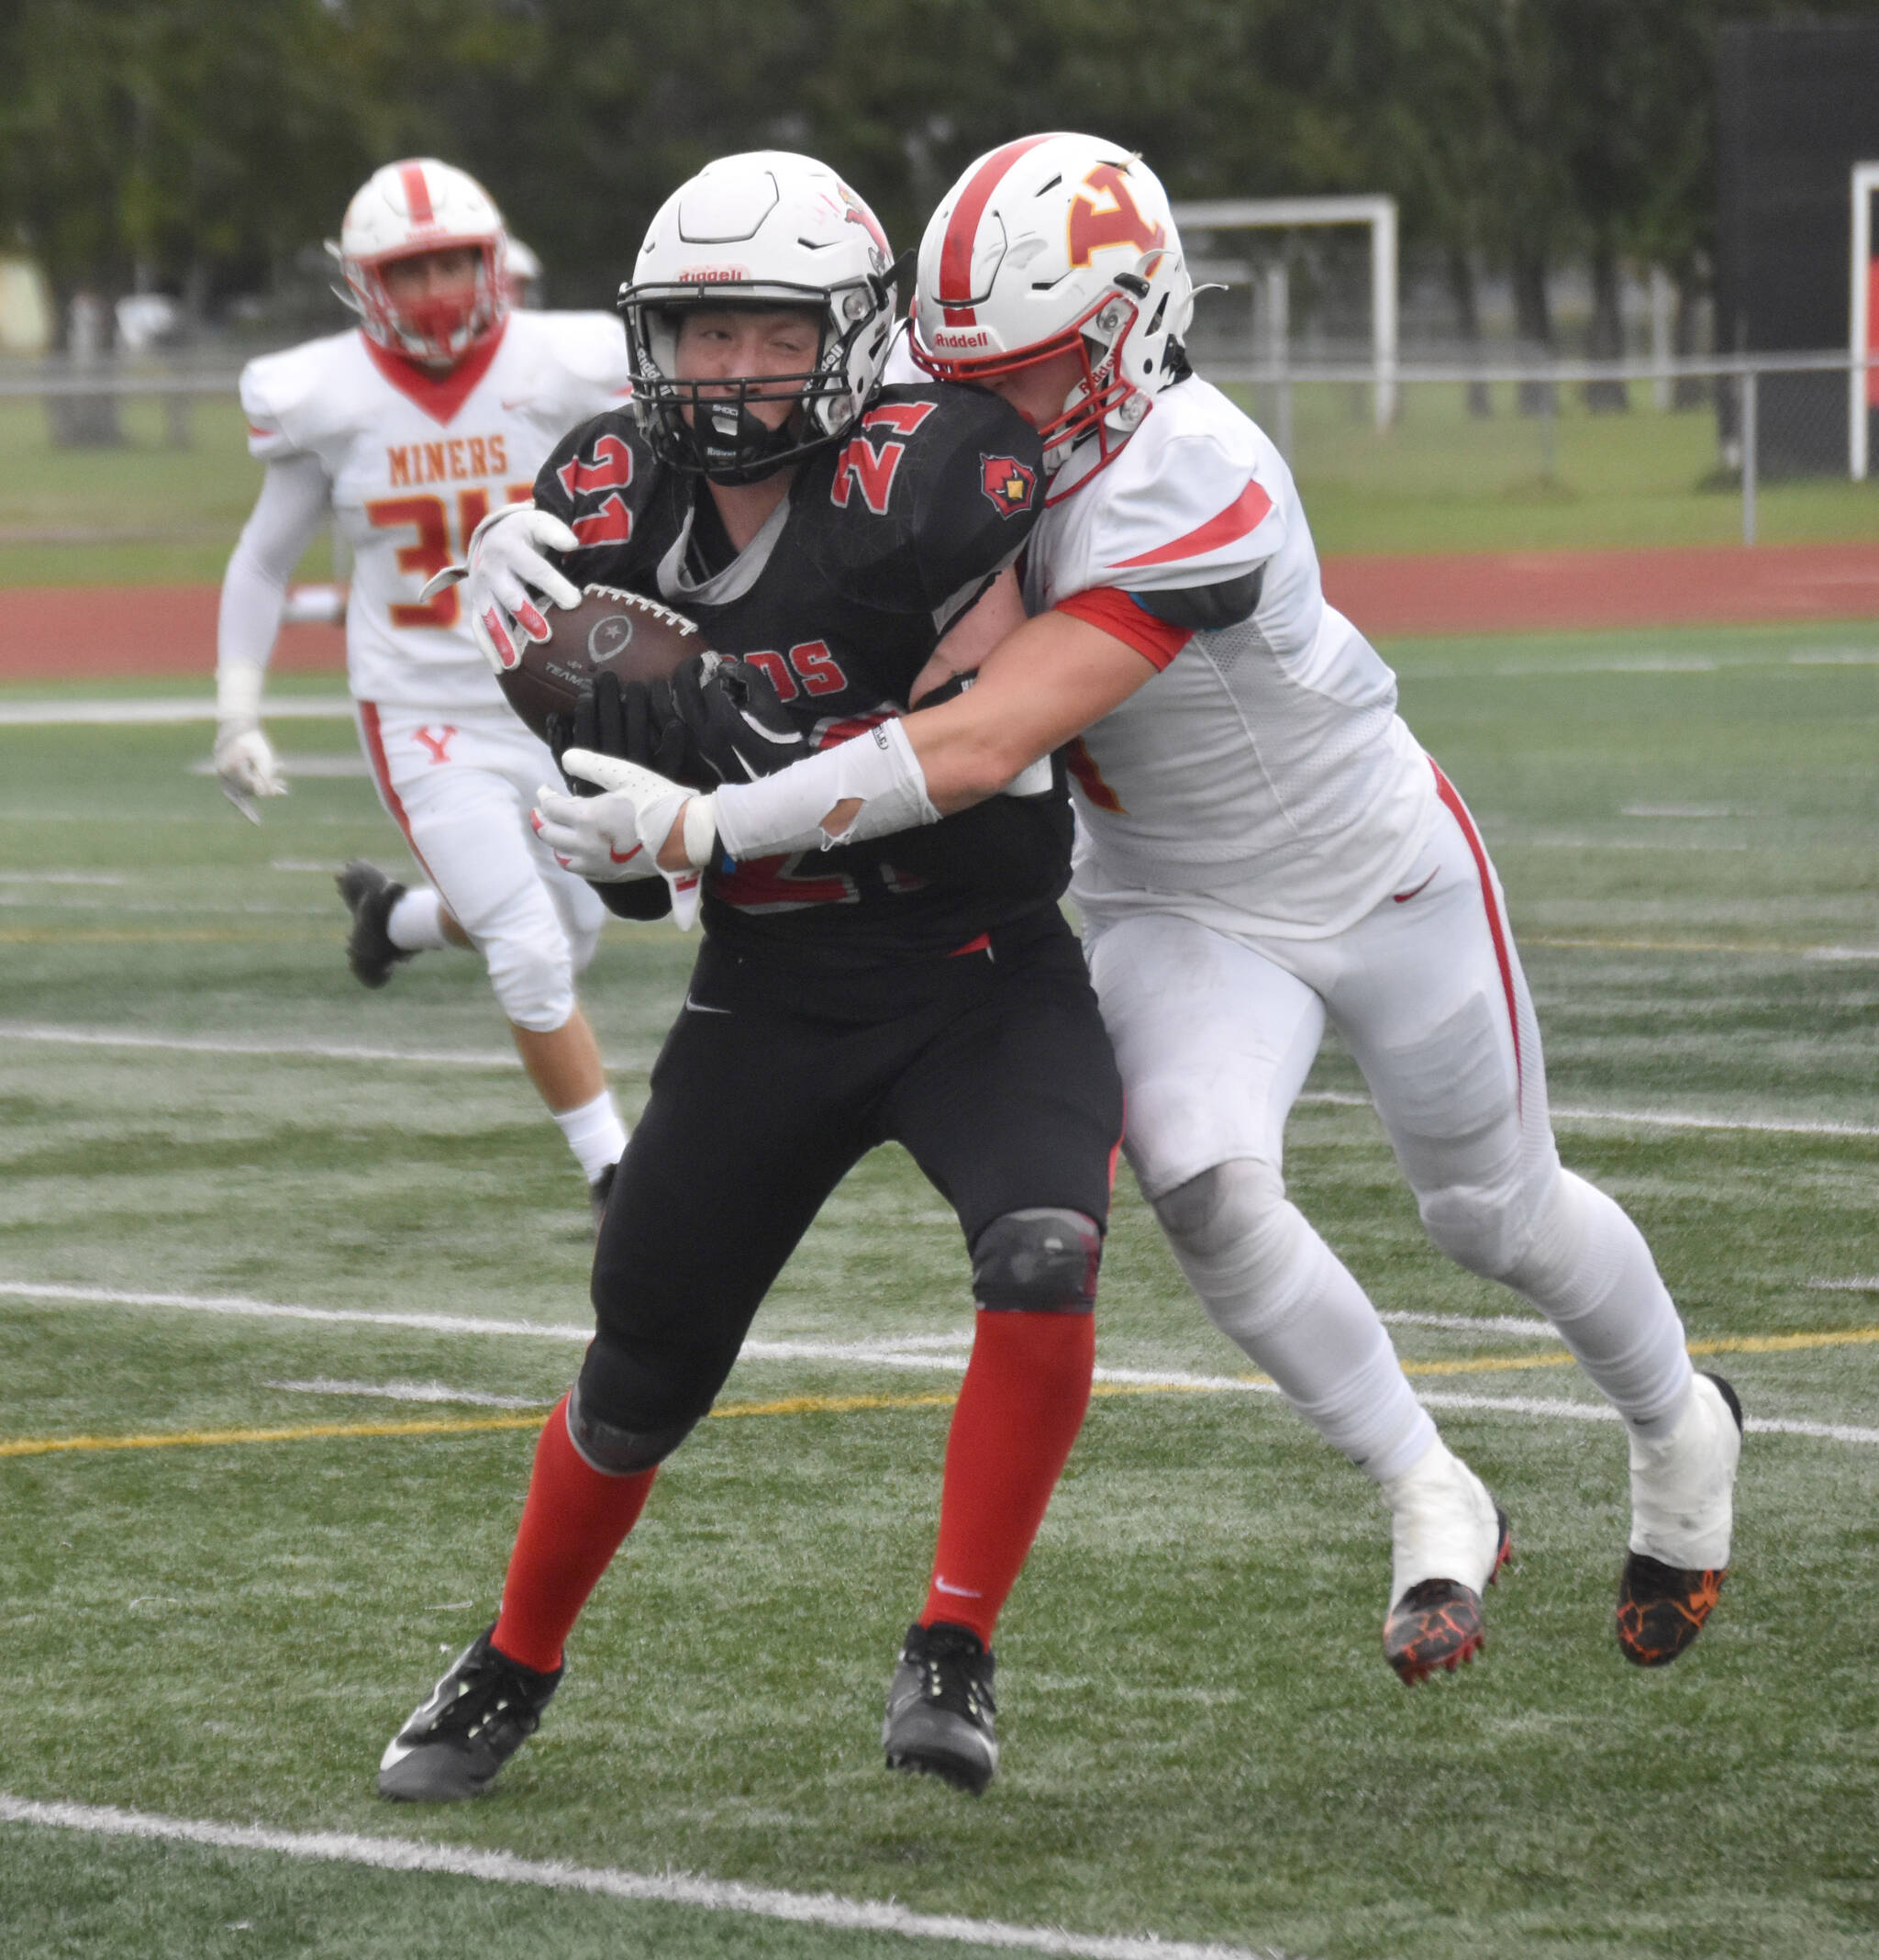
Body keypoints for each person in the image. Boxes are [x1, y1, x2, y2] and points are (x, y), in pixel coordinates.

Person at [601, 134, 1743, 1676]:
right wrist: (510, 561)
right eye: (961, 370)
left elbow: (986, 733)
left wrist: (714, 814)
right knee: (1201, 1181)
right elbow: (708, 440)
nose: (988, 411)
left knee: (1490, 1212)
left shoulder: (1188, 470)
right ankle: (1426, 1484)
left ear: (1131, 329)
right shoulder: (931, 432)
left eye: (1032, 371)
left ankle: (1678, 1433)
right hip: (1166, 894)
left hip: (1371, 866)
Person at [375, 150, 1123, 1803]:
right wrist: (554, 671)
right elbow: (601, 756)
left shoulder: (939, 473)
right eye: (697, 333)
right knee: (639, 1371)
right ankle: (511, 1657)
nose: (728, 370)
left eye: (767, 332)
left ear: (846, 335)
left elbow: (981, 755)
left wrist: (719, 760)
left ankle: (953, 1643)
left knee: (1044, 1247)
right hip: (773, 983)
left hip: (973, 965)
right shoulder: (600, 484)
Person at [212, 159, 634, 1214]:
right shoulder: (328, 398)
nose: (439, 289)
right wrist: (237, 712)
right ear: (363, 284)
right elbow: (264, 559)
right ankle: (615, 1179)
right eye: (412, 270)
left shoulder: (567, 366)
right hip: (421, 708)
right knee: (531, 953)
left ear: (494, 265)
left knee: (571, 926)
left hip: (556, 694)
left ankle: (394, 923)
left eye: (454, 262)